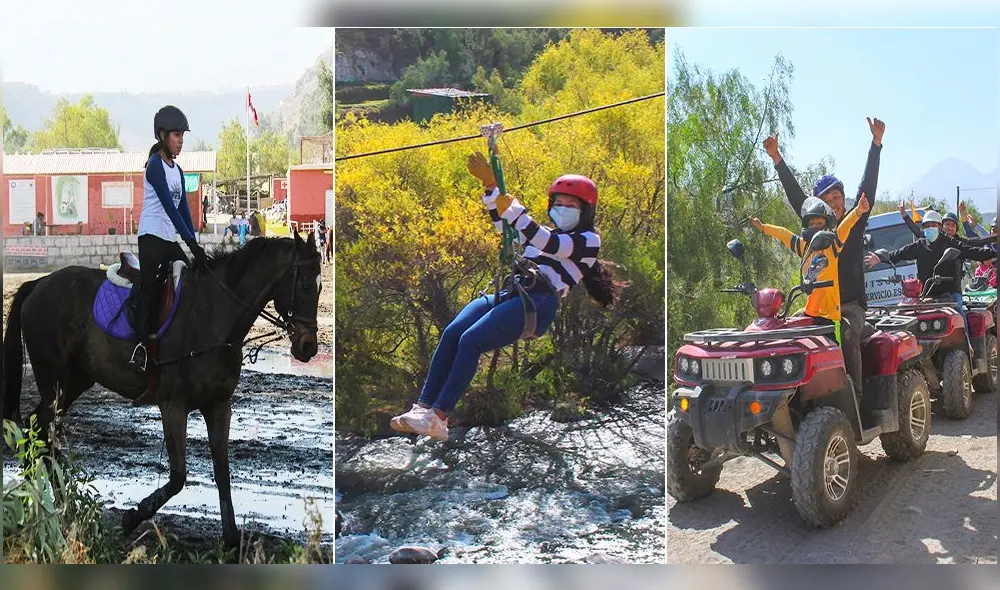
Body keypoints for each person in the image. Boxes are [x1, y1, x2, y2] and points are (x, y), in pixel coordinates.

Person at [389, 152, 624, 441]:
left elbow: (547, 242)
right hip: (512, 292)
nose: (563, 209)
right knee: (452, 334)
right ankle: (422, 409)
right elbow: (507, 228)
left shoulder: (587, 242)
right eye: (558, 204)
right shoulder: (543, 232)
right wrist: (491, 188)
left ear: (585, 211)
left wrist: (512, 209)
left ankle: (439, 417)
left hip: (537, 304)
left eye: (570, 205)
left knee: (470, 340)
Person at [764, 116, 884, 400]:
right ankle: (790, 394)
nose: (835, 203)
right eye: (828, 201)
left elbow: (867, 186)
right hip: (817, 307)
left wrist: (876, 144)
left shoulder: (853, 225)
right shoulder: (815, 233)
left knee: (847, 333)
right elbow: (797, 198)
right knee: (787, 330)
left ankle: (853, 392)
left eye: (837, 196)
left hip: (849, 306)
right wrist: (776, 158)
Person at [129, 105, 208, 373]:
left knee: (188, 282)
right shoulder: (154, 166)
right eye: (176, 135)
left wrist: (194, 243)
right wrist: (190, 242)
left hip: (168, 239)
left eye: (183, 135)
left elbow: (184, 210)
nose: (181, 140)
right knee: (151, 288)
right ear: (162, 136)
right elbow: (170, 209)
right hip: (151, 236)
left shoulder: (178, 170)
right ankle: (139, 345)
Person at [751, 194, 869, 349]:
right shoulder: (805, 247)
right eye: (812, 223)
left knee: (837, 353)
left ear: (827, 225)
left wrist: (858, 211)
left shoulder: (832, 246)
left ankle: (849, 374)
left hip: (830, 316)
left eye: (819, 223)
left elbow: (845, 226)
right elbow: (785, 235)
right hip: (810, 313)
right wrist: (764, 227)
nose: (815, 227)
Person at [868, 210, 994, 331]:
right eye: (927, 226)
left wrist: (993, 253)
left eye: (933, 225)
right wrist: (879, 258)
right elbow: (899, 253)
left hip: (949, 292)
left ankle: (967, 345)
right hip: (926, 295)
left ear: (939, 227)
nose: (930, 228)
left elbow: (971, 251)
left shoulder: (950, 242)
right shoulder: (919, 245)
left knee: (959, 314)